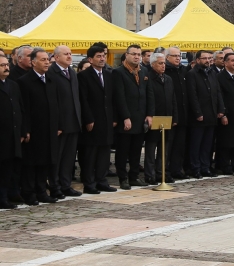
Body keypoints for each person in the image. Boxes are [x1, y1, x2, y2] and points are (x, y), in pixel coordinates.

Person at [18, 48, 61, 205]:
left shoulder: (51, 79)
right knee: (32, 163)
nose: (46, 62)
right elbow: (24, 108)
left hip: (49, 128)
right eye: (42, 60)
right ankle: (29, 193)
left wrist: (58, 124)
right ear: (33, 62)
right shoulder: (24, 81)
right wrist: (26, 129)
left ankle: (42, 191)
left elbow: (57, 104)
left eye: (47, 59)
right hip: (34, 130)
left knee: (46, 161)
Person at [112, 45, 155, 190]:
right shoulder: (118, 72)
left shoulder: (143, 71)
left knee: (136, 150)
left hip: (141, 117)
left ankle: (134, 176)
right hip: (127, 118)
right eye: (134, 54)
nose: (137, 57)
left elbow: (149, 94)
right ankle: (123, 177)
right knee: (123, 151)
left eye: (138, 54)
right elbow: (119, 97)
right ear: (127, 55)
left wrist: (149, 114)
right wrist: (125, 117)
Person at [77, 45, 117, 194]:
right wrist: (88, 119)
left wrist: (114, 117)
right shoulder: (83, 76)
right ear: (90, 59)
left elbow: (112, 98)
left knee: (104, 153)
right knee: (90, 154)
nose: (102, 59)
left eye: (103, 56)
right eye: (98, 56)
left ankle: (102, 180)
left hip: (106, 120)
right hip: (92, 121)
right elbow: (83, 99)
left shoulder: (108, 74)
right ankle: (89, 183)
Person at [48, 45, 82, 198]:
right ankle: (55, 186)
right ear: (56, 57)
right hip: (60, 124)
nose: (69, 56)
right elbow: (52, 101)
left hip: (73, 122)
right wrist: (57, 124)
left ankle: (66, 185)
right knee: (57, 158)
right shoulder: (51, 73)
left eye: (70, 53)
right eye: (66, 54)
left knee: (69, 158)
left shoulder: (72, 73)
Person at [186, 50, 225, 178]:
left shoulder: (212, 73)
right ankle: (195, 168)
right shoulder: (192, 74)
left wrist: (220, 109)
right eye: (204, 58)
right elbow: (192, 95)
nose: (207, 60)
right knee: (196, 144)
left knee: (208, 144)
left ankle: (205, 167)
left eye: (209, 58)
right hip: (199, 115)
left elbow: (217, 92)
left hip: (212, 114)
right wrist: (198, 112)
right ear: (198, 60)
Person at [143, 53, 178, 184]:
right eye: (160, 63)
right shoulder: (148, 78)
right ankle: (150, 174)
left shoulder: (168, 79)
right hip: (155, 116)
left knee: (164, 148)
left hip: (167, 116)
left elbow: (173, 98)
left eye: (164, 63)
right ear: (153, 65)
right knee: (151, 149)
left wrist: (174, 116)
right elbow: (148, 99)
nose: (163, 66)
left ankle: (161, 173)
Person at [0, 54, 25, 208]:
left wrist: (23, 131)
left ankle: (8, 195)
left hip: (13, 135)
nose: (6, 67)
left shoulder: (13, 85)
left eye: (7, 64)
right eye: (2, 65)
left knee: (9, 168)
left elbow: (20, 109)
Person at [164, 46, 189, 179]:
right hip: (170, 114)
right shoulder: (166, 71)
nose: (178, 58)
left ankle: (177, 169)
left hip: (183, 114)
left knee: (180, 145)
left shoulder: (184, 71)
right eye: (175, 56)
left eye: (179, 56)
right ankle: (165, 171)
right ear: (167, 57)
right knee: (169, 146)